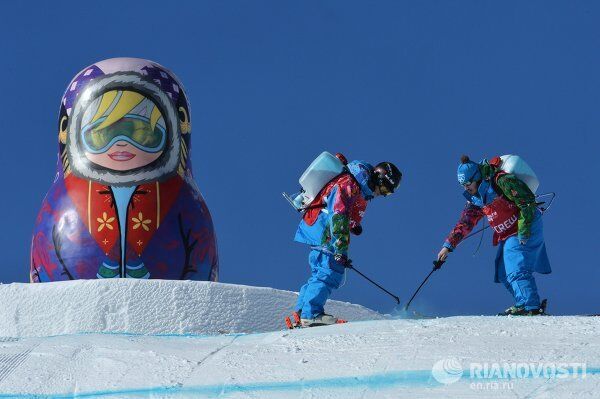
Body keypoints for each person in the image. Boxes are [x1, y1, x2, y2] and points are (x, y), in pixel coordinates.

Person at [293, 154, 401, 327]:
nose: (383, 194)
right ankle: (311, 314)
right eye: (385, 189)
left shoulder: (356, 185)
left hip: (319, 228)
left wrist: (353, 225)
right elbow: (338, 214)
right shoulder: (350, 183)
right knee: (330, 271)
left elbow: (341, 211)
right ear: (379, 179)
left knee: (320, 272)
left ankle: (302, 312)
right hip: (325, 232)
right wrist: (340, 249)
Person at [437, 155, 551, 316]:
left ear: (477, 178)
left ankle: (530, 307)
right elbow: (465, 222)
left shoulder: (501, 181)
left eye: (468, 183)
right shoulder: (476, 199)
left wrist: (524, 230)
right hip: (507, 233)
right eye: (462, 185)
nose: (466, 188)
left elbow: (526, 201)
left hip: (524, 226)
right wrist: (448, 246)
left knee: (516, 267)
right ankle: (522, 303)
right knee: (503, 272)